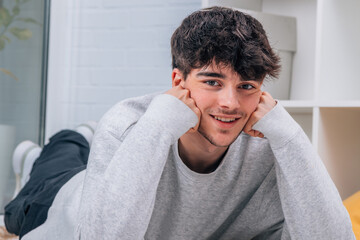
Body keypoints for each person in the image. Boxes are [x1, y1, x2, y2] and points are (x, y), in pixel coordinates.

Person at [3, 6, 355, 240]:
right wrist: (155, 128)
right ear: (178, 81)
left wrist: (291, 137)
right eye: (213, 82)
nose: (231, 103)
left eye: (247, 86)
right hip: (63, 203)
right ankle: (64, 141)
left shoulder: (272, 140)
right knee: (31, 195)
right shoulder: (129, 125)